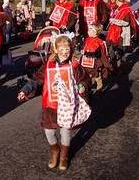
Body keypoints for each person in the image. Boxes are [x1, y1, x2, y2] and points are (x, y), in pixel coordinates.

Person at [17, 33, 91, 171]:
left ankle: (64, 156)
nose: (64, 53)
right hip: (50, 105)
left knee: (65, 132)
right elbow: (36, 79)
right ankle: (55, 151)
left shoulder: (74, 65)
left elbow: (85, 80)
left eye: (67, 49)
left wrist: (83, 87)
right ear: (55, 49)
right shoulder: (48, 65)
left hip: (67, 105)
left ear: (71, 50)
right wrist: (24, 90)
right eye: (61, 49)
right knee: (49, 131)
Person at [105, 0, 137, 75]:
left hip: (122, 34)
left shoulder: (125, 9)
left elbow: (126, 22)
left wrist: (114, 21)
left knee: (121, 52)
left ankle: (121, 69)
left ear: (117, 0)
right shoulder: (118, 8)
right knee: (111, 51)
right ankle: (113, 68)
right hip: (114, 33)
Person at [80, 23, 112, 98]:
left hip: (96, 63)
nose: (88, 30)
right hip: (86, 62)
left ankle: (99, 89)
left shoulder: (99, 42)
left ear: (95, 32)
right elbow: (83, 47)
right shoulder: (87, 39)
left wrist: (87, 53)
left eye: (90, 29)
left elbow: (97, 54)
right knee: (86, 75)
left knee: (98, 77)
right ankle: (87, 88)